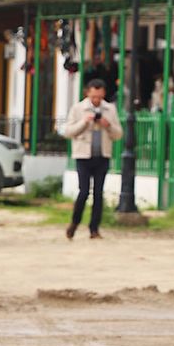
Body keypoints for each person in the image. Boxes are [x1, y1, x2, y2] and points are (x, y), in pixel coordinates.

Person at [62, 78, 122, 240]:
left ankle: (94, 229)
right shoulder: (78, 108)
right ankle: (74, 223)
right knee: (83, 192)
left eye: (99, 97)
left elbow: (118, 134)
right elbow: (68, 132)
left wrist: (107, 124)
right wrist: (84, 122)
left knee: (98, 193)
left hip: (102, 156)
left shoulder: (109, 109)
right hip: (83, 156)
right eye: (94, 96)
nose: (96, 100)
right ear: (88, 93)